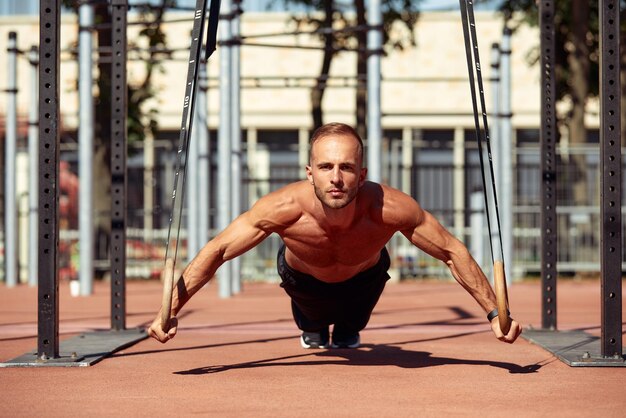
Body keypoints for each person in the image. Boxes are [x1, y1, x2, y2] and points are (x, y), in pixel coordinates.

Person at [148, 122, 522, 348]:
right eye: (326, 167)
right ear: (310, 172)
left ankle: (344, 327)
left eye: (346, 167)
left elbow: (451, 252)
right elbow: (218, 251)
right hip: (304, 278)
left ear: (361, 174)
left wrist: (493, 311)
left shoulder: (391, 208)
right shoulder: (282, 207)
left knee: (350, 330)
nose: (336, 178)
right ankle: (311, 324)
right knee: (312, 325)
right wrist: (169, 311)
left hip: (364, 278)